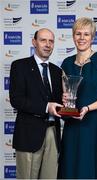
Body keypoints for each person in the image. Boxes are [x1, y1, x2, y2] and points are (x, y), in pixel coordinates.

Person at [57, 17, 97, 179]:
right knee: (73, 165)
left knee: (96, 166)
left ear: (93, 37)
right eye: (78, 34)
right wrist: (64, 99)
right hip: (73, 123)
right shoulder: (66, 63)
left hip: (96, 123)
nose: (82, 38)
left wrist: (88, 108)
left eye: (86, 34)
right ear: (73, 36)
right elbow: (67, 96)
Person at [9, 28, 63, 179]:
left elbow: (58, 103)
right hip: (29, 136)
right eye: (43, 40)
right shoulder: (20, 66)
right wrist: (46, 107)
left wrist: (67, 105)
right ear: (34, 42)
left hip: (53, 133)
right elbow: (16, 99)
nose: (47, 44)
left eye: (51, 41)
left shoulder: (57, 71)